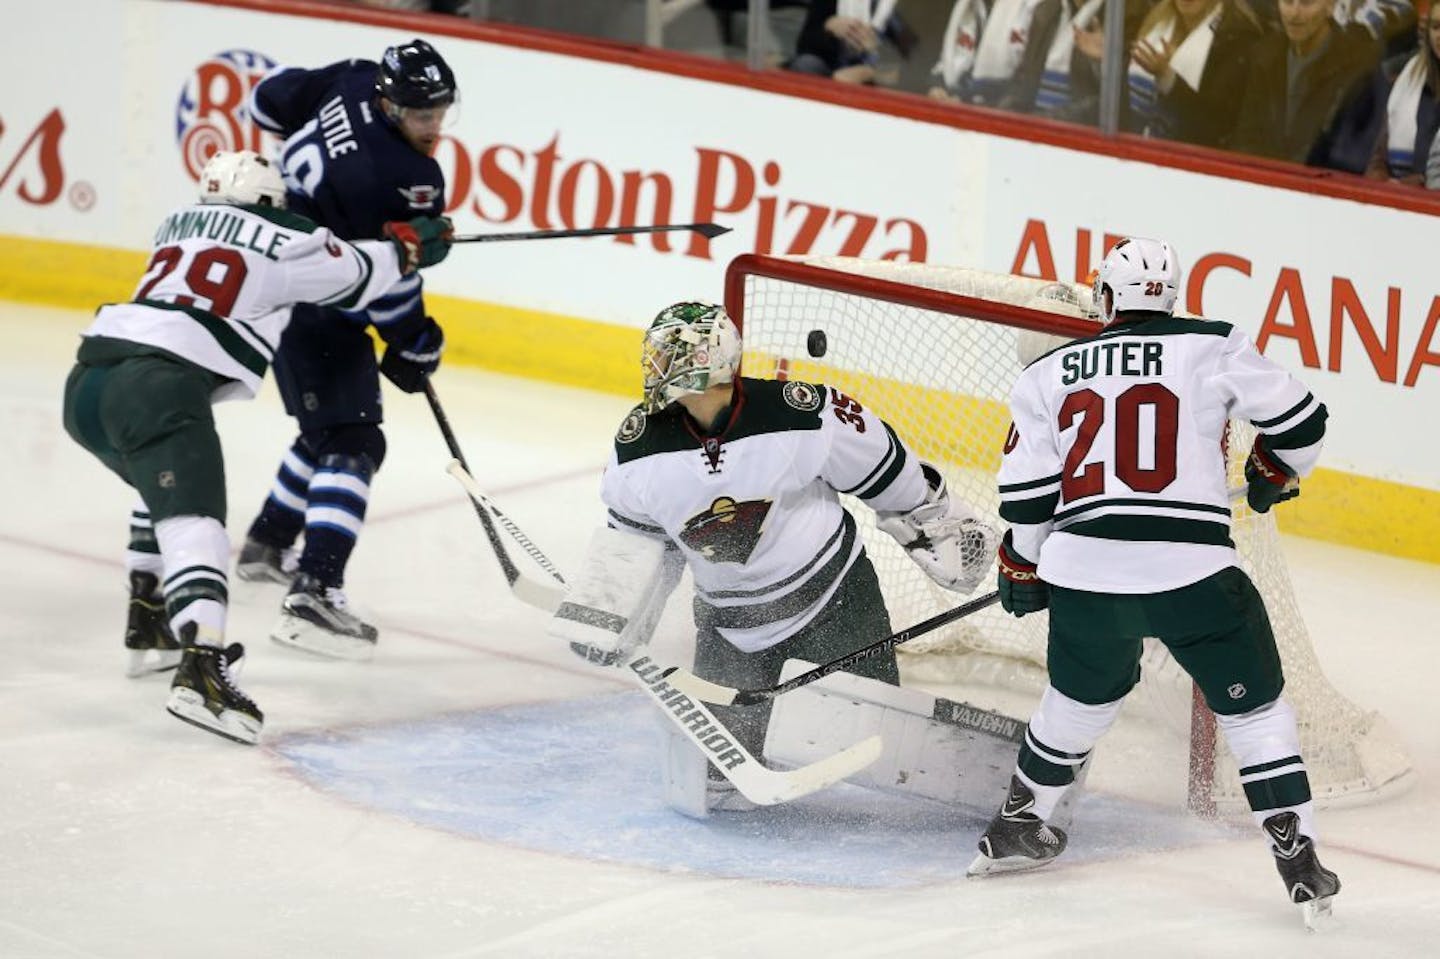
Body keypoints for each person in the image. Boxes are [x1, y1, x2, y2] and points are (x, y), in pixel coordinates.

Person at [967, 237, 1339, 927]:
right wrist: (1273, 470)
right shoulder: (1214, 342)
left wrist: (1023, 562)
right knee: (1254, 712)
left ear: (1104, 300)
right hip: (1194, 572)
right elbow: (1305, 421)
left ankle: (1020, 820)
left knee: (1075, 702)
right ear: (1172, 298)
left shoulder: (1048, 371)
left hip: (1086, 576)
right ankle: (1296, 848)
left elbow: (1027, 497)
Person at [61, 150, 452, 745]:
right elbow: (358, 273)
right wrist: (412, 246)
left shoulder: (176, 223)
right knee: (196, 522)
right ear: (272, 201)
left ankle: (148, 620)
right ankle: (202, 667)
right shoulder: (286, 236)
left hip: (89, 383)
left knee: (157, 492)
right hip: (158, 385)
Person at [553, 302, 999, 813]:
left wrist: (933, 523)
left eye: (674, 355)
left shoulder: (800, 413)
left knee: (870, 737)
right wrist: (614, 612)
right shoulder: (638, 450)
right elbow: (637, 545)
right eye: (657, 355)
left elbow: (883, 466)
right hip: (729, 622)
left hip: (832, 597)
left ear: (715, 361)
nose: (659, 367)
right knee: (717, 775)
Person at [235, 39, 458, 660]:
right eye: (421, 115)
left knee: (328, 430)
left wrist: (306, 198)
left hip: (272, 274)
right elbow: (380, 280)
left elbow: (267, 99)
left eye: (440, 111)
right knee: (356, 441)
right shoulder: (408, 179)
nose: (433, 126)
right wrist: (414, 339)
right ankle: (315, 589)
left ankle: (266, 544)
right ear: (389, 105)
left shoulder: (355, 78)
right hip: (313, 304)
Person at [1229, 0, 1385, 171]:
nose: (1294, 14)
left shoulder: (1358, 67)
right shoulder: (1263, 55)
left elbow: (1348, 157)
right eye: (1288, 2)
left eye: (1307, 3)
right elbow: (1247, 136)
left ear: (1330, 7)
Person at [1126, 0, 1265, 150]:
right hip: (1134, 150)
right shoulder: (1156, 19)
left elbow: (1215, 127)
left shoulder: (1239, 39)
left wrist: (1168, 78)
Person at [1365, 1, 1440, 183]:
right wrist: (1379, 179)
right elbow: (1378, 155)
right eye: (1437, 27)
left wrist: (1417, 184)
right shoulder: (1409, 75)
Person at [788, 0, 917, 85]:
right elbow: (803, 45)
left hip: (872, 78)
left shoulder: (887, 10)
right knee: (806, 64)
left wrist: (870, 71)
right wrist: (828, 28)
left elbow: (915, 64)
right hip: (830, 72)